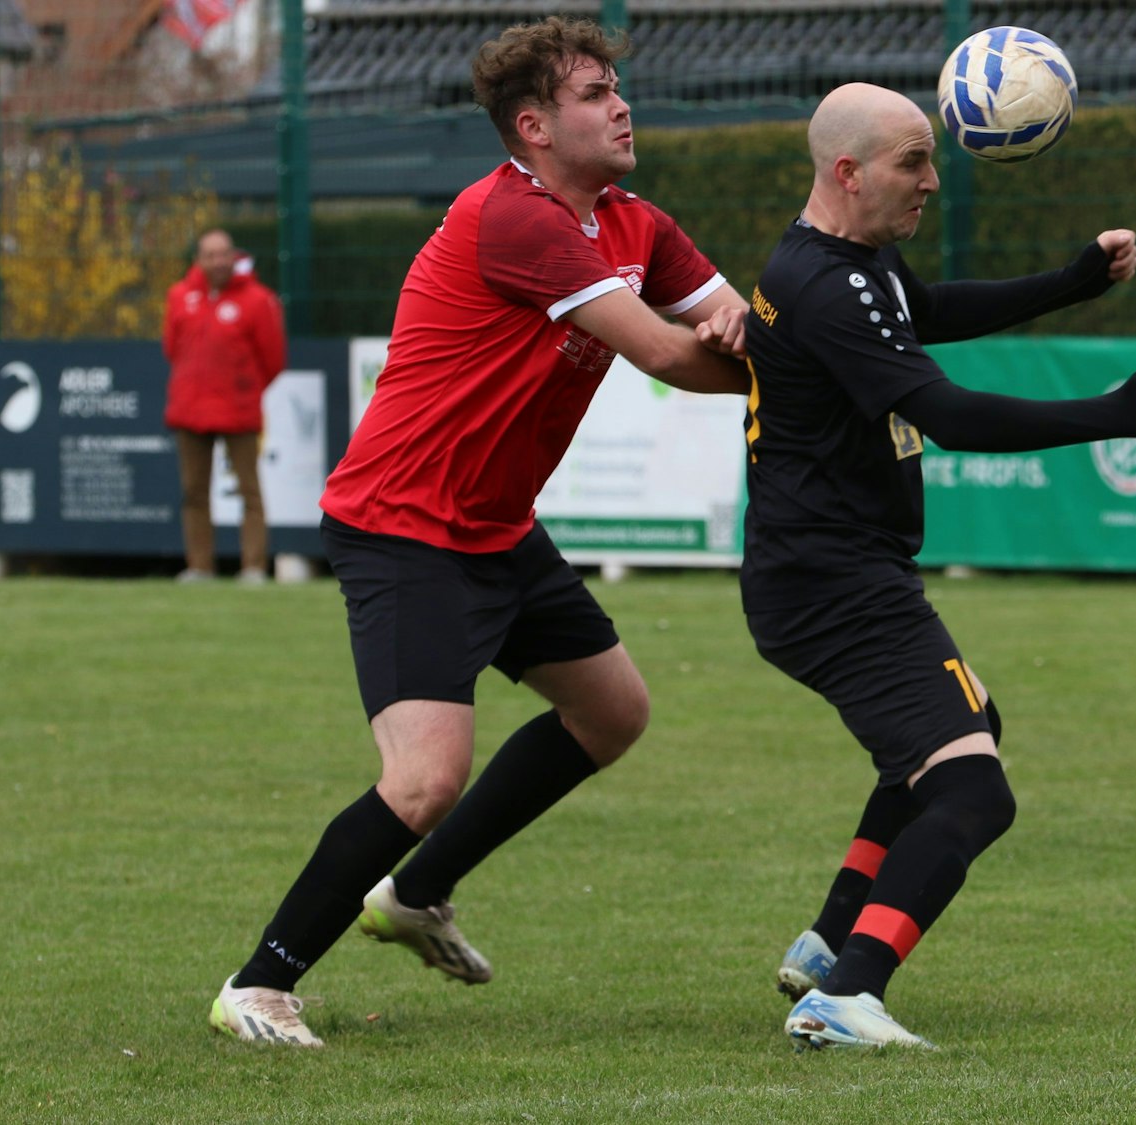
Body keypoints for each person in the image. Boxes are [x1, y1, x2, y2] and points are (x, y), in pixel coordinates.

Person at [205, 16, 750, 1047]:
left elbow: (730, 322)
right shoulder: (515, 220)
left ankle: (414, 894)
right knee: (422, 778)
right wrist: (795, 368)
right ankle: (259, 984)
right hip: (404, 522)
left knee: (612, 713)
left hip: (494, 526)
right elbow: (674, 359)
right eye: (596, 93)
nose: (622, 103)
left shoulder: (636, 221)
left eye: (617, 84)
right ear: (535, 126)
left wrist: (757, 333)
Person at [741, 83, 1136, 1049]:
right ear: (847, 170)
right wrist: (1116, 412)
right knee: (973, 790)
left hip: (826, 574)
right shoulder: (826, 284)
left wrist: (1070, 282)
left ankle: (830, 941)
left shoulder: (848, 263)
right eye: (914, 161)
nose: (933, 180)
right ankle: (849, 990)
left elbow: (929, 307)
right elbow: (946, 415)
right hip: (834, 585)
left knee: (958, 735)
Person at [163, 228, 287, 584]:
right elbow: (172, 348)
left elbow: (273, 359)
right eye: (211, 255)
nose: (218, 261)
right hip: (189, 409)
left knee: (249, 490)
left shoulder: (258, 300)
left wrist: (244, 389)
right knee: (194, 492)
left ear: (234, 257)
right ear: (198, 260)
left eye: (224, 254)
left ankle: (253, 568)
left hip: (239, 410)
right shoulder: (179, 296)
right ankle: (200, 567)